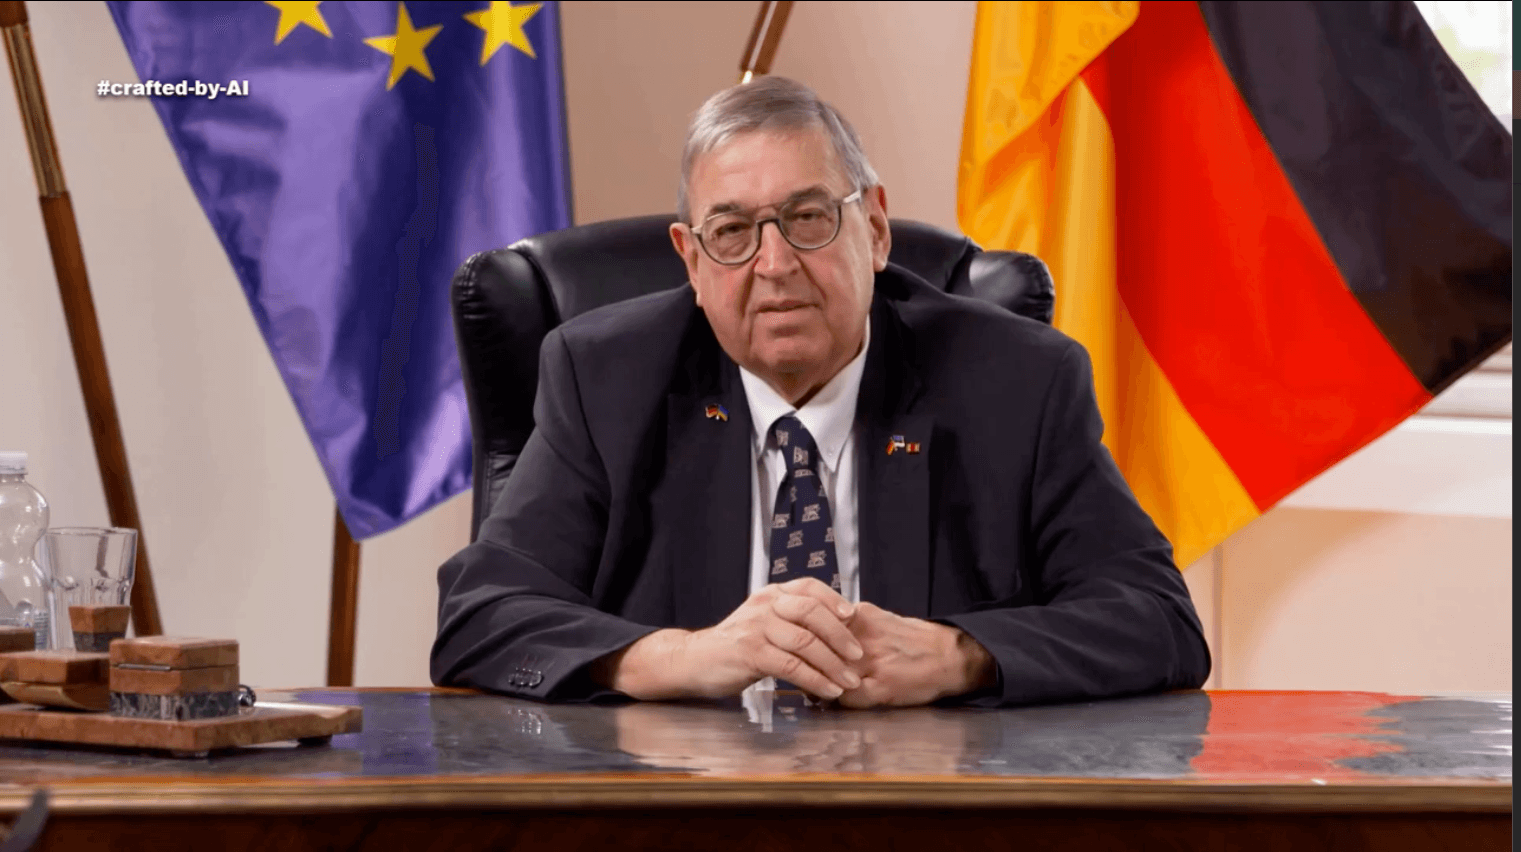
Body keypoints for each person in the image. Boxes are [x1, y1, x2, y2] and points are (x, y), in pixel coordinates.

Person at [431, 76, 1211, 708]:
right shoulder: (605, 378)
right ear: (691, 262)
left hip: (933, 808)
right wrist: (678, 657)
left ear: (874, 228)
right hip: (674, 808)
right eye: (730, 232)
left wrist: (960, 657)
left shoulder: (1015, 380)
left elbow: (1157, 621)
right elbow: (479, 617)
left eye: (806, 217)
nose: (773, 265)